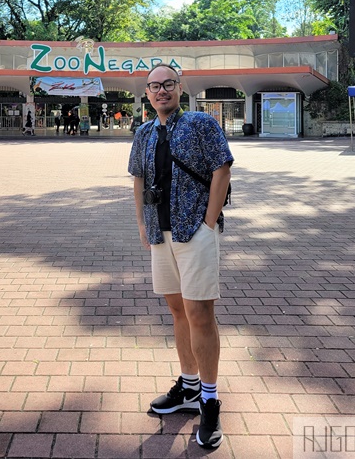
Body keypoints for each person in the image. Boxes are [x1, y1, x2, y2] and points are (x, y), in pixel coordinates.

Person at [128, 63, 233, 449]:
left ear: (179, 87)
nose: (161, 91)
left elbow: (222, 169)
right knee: (176, 310)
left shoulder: (202, 124)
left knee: (199, 313)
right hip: (159, 233)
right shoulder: (143, 132)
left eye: (167, 84)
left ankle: (208, 399)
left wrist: (208, 221)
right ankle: (188, 387)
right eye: (154, 86)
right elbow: (138, 178)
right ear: (147, 92)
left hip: (194, 231)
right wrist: (142, 224)